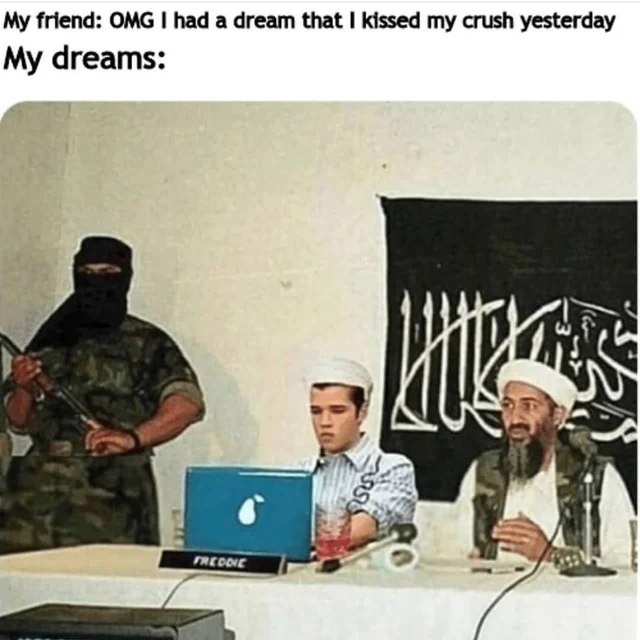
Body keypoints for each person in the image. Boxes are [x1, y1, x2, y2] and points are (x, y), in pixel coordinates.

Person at [0, 236, 205, 554]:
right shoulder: (51, 337)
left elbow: (186, 404)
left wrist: (132, 439)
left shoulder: (146, 340)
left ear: (125, 278)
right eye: (87, 272)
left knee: (107, 583)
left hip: (112, 497)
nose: (96, 281)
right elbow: (18, 421)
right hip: (34, 498)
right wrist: (23, 386)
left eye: (108, 272)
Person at [455, 358, 634, 568]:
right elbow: (453, 552)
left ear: (557, 416)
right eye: (508, 405)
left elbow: (626, 565)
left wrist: (549, 554)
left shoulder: (595, 476)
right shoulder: (484, 471)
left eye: (529, 406)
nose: (515, 418)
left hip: (567, 590)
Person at [296, 356, 418, 549]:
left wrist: (299, 543)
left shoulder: (392, 469)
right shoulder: (297, 472)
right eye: (316, 411)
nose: (325, 422)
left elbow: (365, 528)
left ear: (361, 412)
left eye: (337, 411)